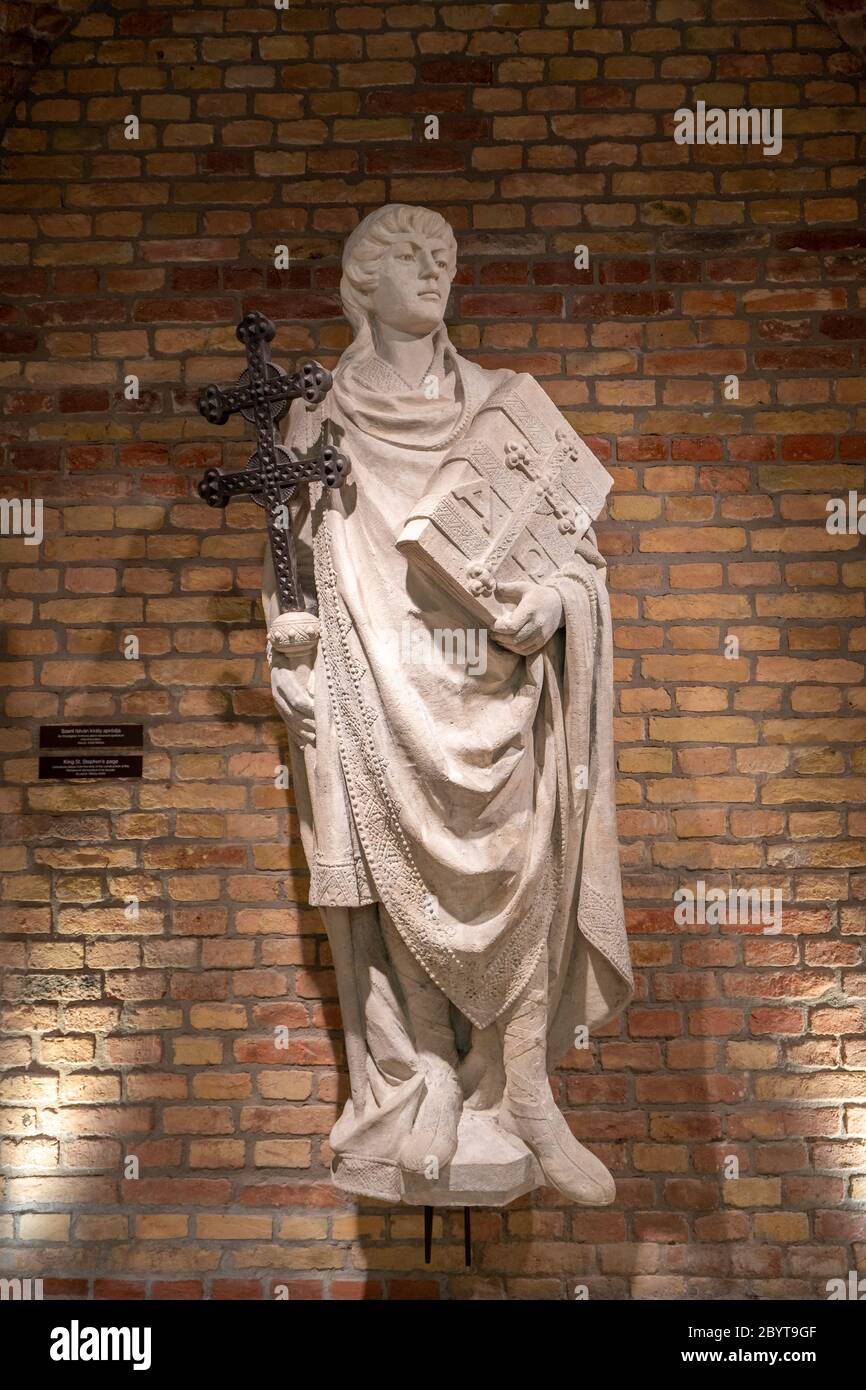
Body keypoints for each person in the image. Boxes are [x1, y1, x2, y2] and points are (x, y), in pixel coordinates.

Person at [262, 203, 632, 1206]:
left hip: (496, 683)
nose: (433, 270)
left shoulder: (506, 408)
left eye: (444, 257)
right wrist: (288, 655)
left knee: (524, 861)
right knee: (399, 864)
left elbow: (580, 561)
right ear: (359, 283)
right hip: (379, 677)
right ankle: (428, 1072)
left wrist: (552, 603)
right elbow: (289, 566)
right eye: (408, 255)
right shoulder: (318, 418)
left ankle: (526, 1093)